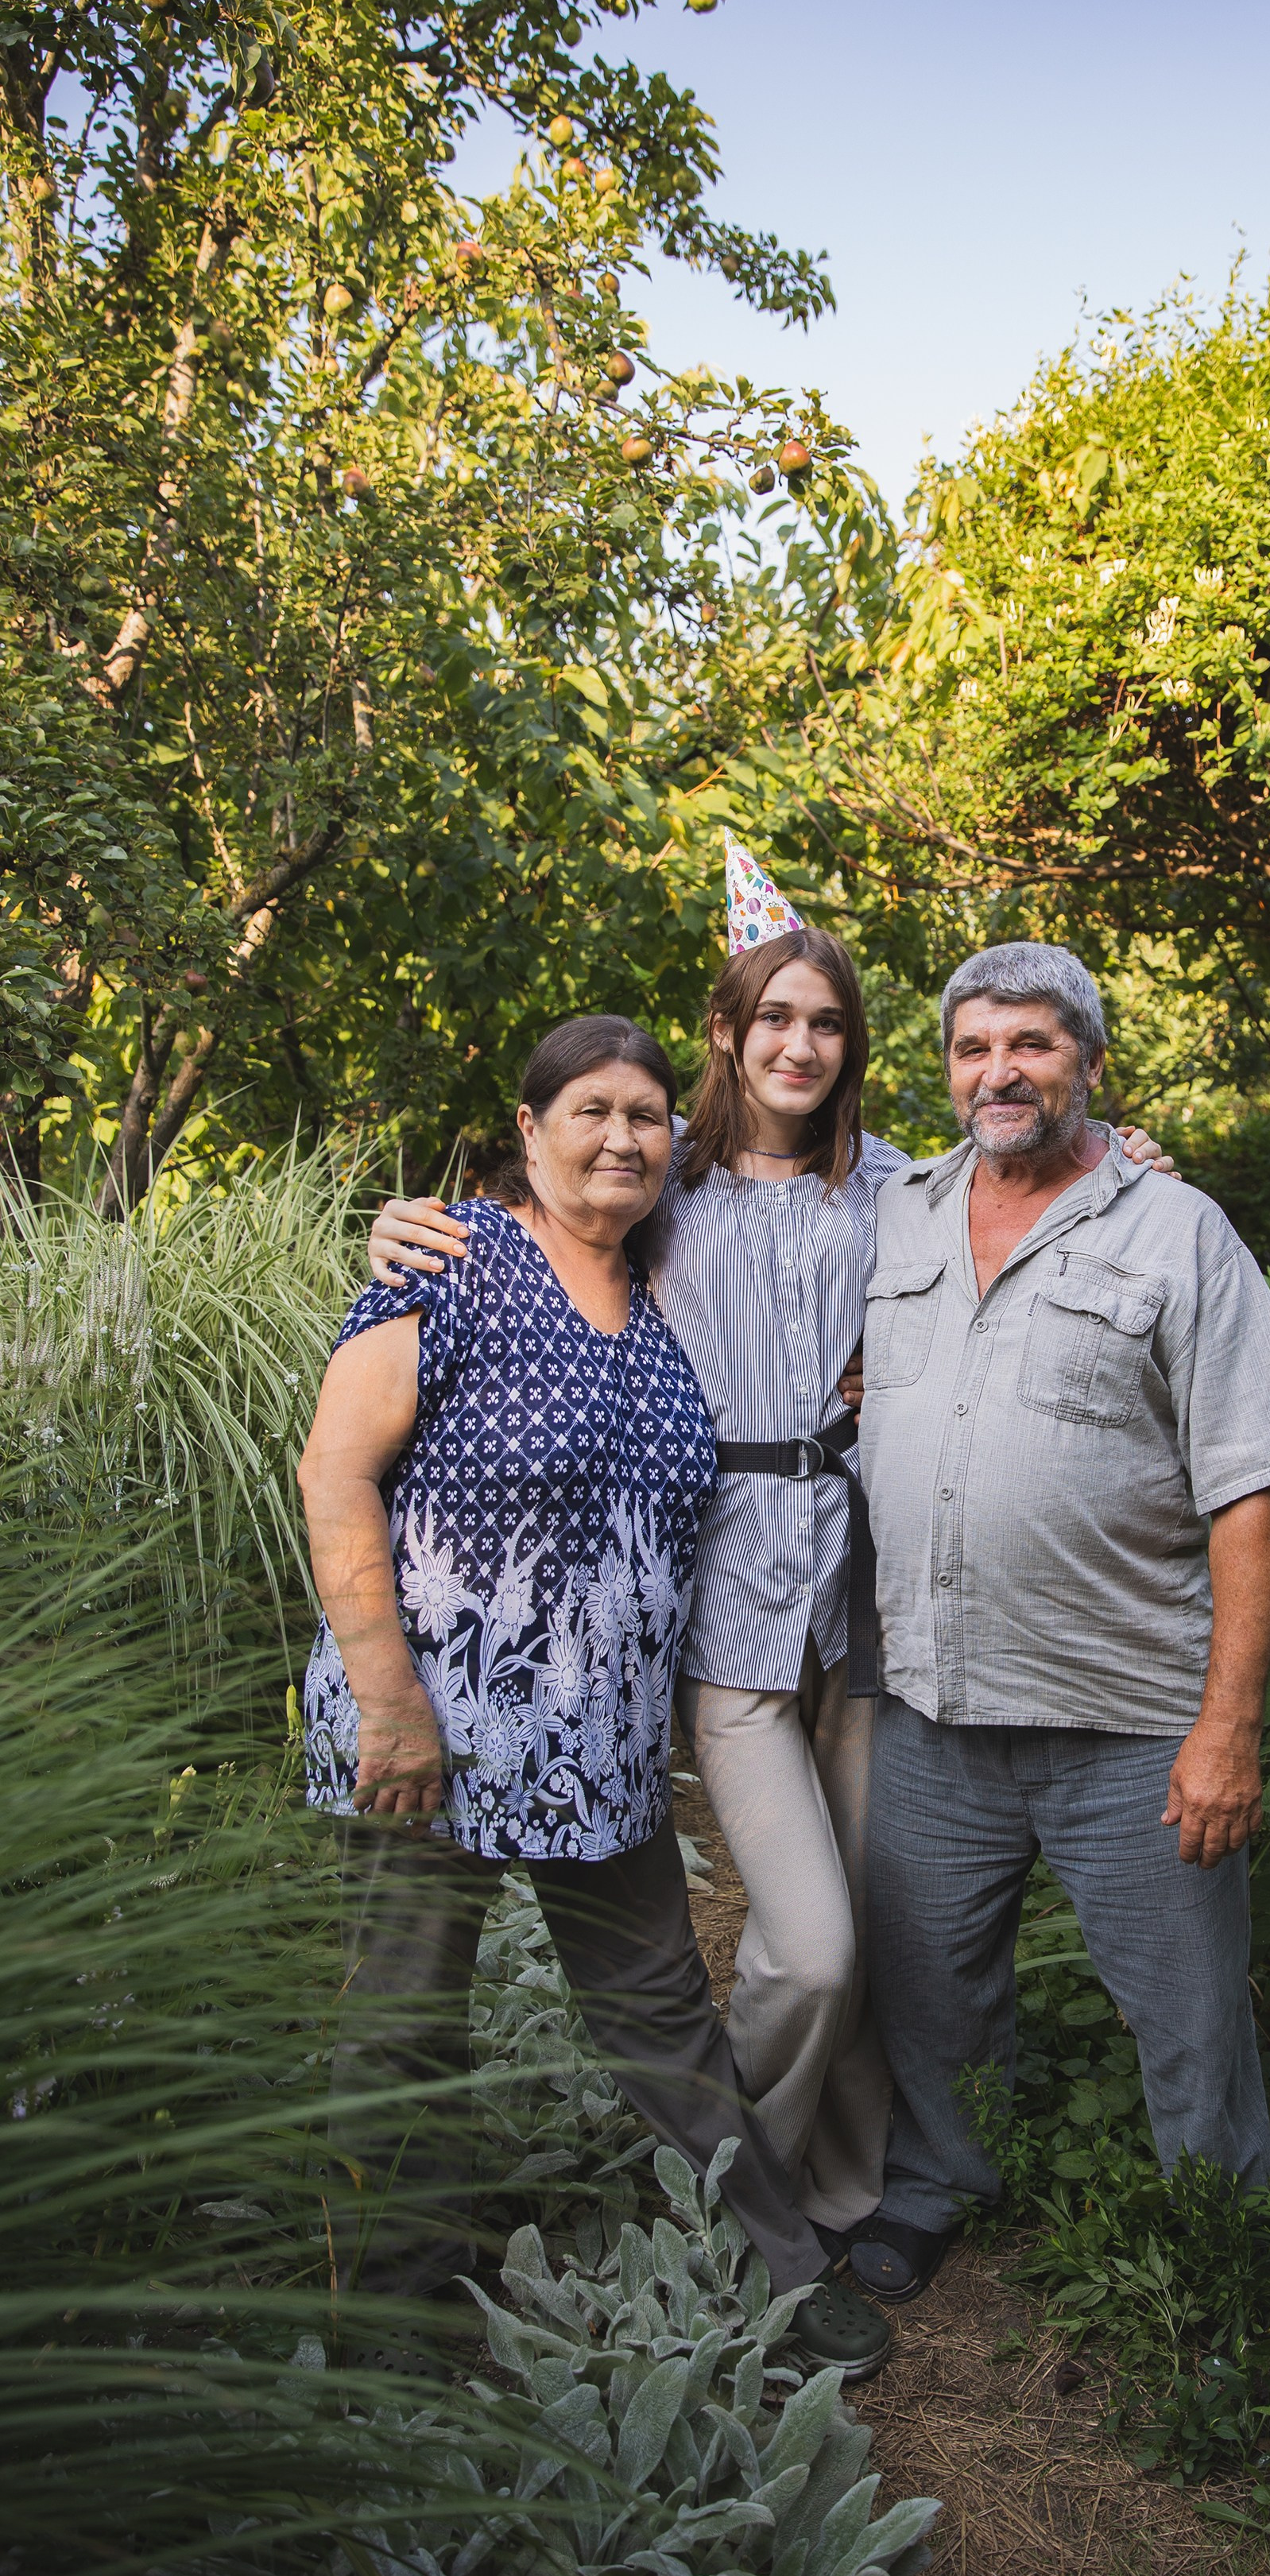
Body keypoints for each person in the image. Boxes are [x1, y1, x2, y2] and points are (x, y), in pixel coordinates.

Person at [362, 846, 1177, 2276]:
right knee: (806, 1945)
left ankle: (844, 2194)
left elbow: (1040, 1175)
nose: (799, 1044)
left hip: (872, 1599)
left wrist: (1131, 1157)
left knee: (875, 1925)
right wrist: (402, 1229)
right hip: (723, 1600)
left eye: (828, 1021)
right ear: (728, 1038)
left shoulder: (904, 1194)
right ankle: (724, 2185)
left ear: (853, 1047)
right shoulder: (661, 1180)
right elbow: (544, 1217)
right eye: (771, 1019)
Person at [300, 1008, 890, 2379]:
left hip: (599, 1746)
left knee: (662, 2016)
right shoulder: (450, 1262)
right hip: (427, 1731)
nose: (623, 1137)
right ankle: (394, 2320)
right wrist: (390, 1698)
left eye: (645, 1117)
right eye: (592, 1112)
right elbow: (337, 1473)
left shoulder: (669, 1285)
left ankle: (778, 2271)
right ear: (530, 1129)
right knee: (399, 2021)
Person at [842, 943, 1270, 2304]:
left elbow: (1248, 1492)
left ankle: (1220, 2248)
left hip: (1131, 1720)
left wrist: (1226, 1726)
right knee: (931, 1993)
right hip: (936, 1710)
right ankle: (943, 2181)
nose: (997, 1071)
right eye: (971, 1047)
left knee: (1184, 2018)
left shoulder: (1179, 1233)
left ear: (1091, 1065)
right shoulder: (900, 1214)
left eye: (1031, 1044)